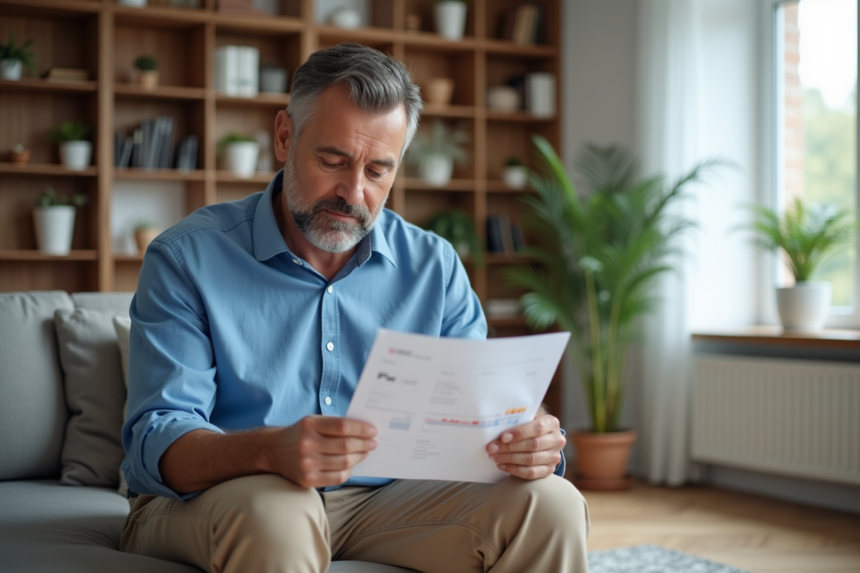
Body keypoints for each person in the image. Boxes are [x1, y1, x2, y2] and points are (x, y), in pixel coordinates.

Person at [120, 43, 589, 573]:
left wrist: (530, 437)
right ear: (283, 136)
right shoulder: (187, 258)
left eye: (378, 170)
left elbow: (480, 414)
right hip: (219, 496)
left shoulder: (433, 266)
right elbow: (155, 440)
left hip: (383, 504)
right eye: (333, 160)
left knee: (552, 504)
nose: (353, 192)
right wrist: (268, 451)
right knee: (279, 508)